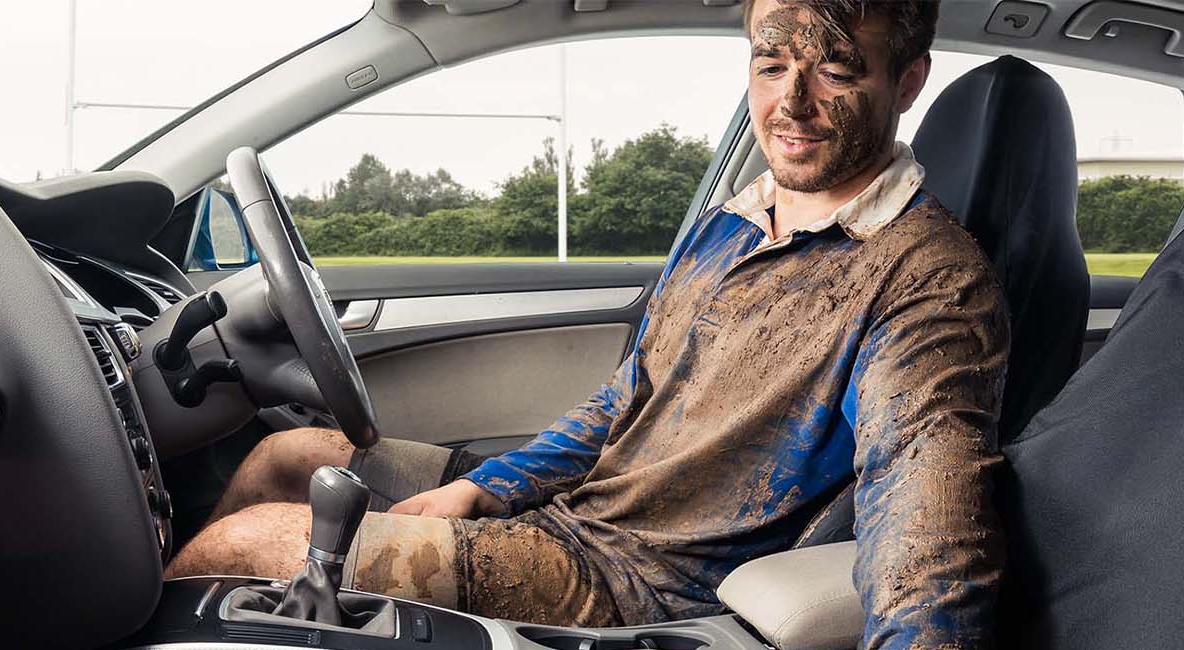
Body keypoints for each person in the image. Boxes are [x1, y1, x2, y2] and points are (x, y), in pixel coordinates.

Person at [167, 0, 1007, 644]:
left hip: (628, 577)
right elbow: (626, 398)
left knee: (243, 548)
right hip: (576, 505)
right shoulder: (738, 221)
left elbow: (924, 524)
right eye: (771, 62)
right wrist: (482, 486)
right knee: (288, 452)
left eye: (834, 71)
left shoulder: (927, 281)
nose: (791, 101)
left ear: (906, 81)